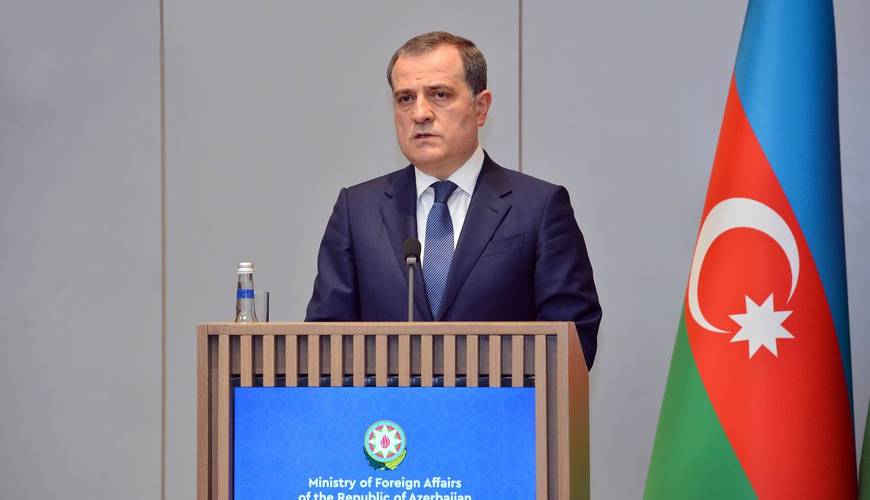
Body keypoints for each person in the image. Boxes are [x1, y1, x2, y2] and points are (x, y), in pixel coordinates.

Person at [305, 31, 601, 368]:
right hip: (385, 403)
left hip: (500, 403)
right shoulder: (357, 211)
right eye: (405, 98)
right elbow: (323, 344)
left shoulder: (540, 207)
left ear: (481, 108)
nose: (420, 113)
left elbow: (572, 342)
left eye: (439, 95)